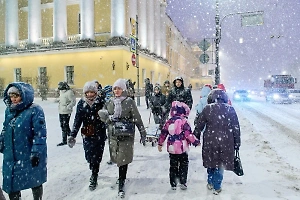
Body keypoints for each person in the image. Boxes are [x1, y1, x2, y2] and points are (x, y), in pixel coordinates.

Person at [98, 78, 146, 198]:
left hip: (126, 134)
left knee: (123, 159)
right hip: (113, 135)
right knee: (117, 157)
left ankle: (121, 181)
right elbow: (103, 114)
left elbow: (137, 117)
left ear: (123, 89)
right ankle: (121, 178)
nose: (117, 90)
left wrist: (142, 132)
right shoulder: (110, 101)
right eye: (115, 88)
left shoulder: (129, 101)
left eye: (119, 88)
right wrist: (107, 117)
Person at [0, 82, 47, 200]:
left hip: (28, 154)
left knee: (35, 180)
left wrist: (36, 152)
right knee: (12, 184)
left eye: (16, 96)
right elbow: (6, 128)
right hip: (11, 155)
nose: (13, 99)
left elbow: (40, 134)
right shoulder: (9, 110)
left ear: (24, 95)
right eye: (11, 96)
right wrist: (1, 142)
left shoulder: (34, 110)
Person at [193, 89, 241, 195]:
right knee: (220, 164)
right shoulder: (230, 109)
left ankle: (210, 182)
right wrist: (237, 143)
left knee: (211, 162)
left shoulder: (207, 109)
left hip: (210, 140)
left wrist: (195, 136)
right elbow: (236, 127)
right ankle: (217, 186)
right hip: (226, 142)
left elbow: (199, 124)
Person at [67, 81, 107, 191]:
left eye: (92, 92)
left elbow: (108, 117)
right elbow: (77, 120)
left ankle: (94, 176)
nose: (90, 94)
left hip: (99, 133)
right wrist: (72, 135)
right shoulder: (81, 103)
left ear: (95, 92)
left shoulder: (101, 102)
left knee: (97, 156)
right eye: (88, 92)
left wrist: (104, 117)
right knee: (89, 155)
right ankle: (92, 165)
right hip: (87, 133)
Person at [158, 101, 200, 190]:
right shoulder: (184, 122)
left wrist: (160, 143)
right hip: (182, 148)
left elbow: (163, 133)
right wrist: (196, 142)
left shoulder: (169, 122)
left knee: (173, 165)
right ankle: (182, 181)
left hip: (172, 148)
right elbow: (189, 135)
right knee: (183, 164)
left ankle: (173, 183)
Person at [57, 81, 76, 146]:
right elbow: (61, 99)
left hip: (67, 111)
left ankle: (66, 139)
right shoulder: (61, 92)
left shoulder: (69, 92)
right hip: (61, 111)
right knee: (62, 125)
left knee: (65, 125)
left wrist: (68, 107)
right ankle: (70, 137)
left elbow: (73, 101)